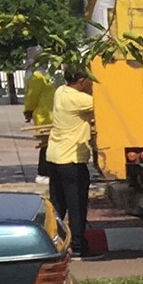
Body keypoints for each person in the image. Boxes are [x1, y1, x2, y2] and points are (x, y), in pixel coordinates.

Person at [44, 64, 96, 248]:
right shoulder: (80, 99)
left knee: (58, 205)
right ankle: (79, 245)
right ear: (82, 81)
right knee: (77, 205)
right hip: (71, 159)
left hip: (54, 156)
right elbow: (108, 102)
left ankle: (52, 242)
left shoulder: (61, 91)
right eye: (90, 81)